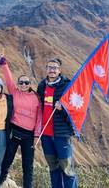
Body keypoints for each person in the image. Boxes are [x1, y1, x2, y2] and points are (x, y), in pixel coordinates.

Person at [0, 51, 41, 188]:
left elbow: (39, 118)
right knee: (7, 161)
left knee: (28, 165)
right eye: (21, 82)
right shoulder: (14, 92)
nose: (23, 85)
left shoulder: (36, 98)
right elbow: (8, 78)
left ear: (30, 84)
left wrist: (37, 136)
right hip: (14, 132)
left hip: (29, 135)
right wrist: (3, 62)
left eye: (26, 82)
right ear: (18, 84)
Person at [37, 58, 75, 188]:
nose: (52, 70)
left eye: (55, 67)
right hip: (46, 135)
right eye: (50, 67)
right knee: (53, 168)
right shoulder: (42, 86)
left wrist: (63, 108)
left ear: (60, 70)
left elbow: (76, 109)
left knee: (67, 168)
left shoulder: (67, 86)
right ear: (46, 69)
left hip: (61, 135)